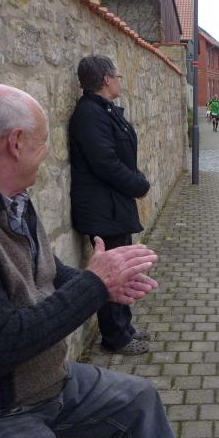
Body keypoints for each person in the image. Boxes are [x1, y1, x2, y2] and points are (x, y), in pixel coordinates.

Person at [0, 82, 182, 438]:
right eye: (42, 140)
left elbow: (44, 272)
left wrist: (104, 286)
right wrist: (94, 284)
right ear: (16, 143)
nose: (47, 152)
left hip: (43, 385)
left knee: (140, 400)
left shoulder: (12, 198)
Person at [69, 55, 152, 355]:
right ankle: (115, 337)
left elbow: (121, 155)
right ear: (106, 79)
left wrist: (135, 178)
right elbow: (105, 163)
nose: (119, 81)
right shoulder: (90, 114)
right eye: (117, 76)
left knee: (123, 268)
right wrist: (138, 185)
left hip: (114, 205)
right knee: (113, 271)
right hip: (103, 210)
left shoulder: (103, 110)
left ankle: (124, 327)